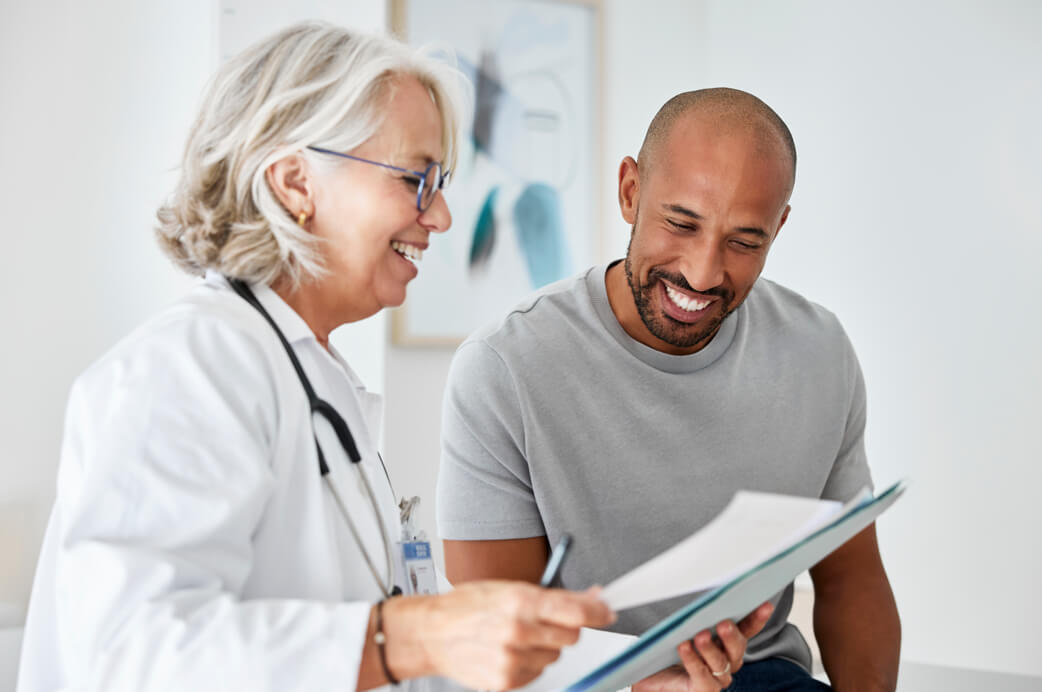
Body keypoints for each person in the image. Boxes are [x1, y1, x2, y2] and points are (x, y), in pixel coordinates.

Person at [16, 23, 622, 692]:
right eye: (417, 179)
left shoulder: (313, 377)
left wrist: (619, 677)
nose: (442, 216)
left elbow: (393, 665)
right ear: (296, 183)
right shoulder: (184, 368)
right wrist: (413, 634)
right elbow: (134, 656)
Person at [437, 88, 901, 691]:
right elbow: (491, 638)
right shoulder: (503, 369)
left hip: (761, 676)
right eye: (681, 223)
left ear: (779, 226)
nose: (703, 273)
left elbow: (852, 580)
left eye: (744, 241)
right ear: (631, 192)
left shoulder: (819, 352)